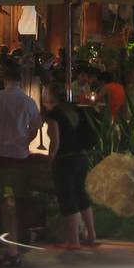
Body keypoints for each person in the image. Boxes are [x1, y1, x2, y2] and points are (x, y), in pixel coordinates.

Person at [0, 59, 41, 267]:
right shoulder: (28, 102)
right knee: (20, 199)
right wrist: (26, 140)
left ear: (4, 78)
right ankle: (19, 239)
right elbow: (36, 126)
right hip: (20, 156)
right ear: (20, 80)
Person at [42, 83, 96, 249]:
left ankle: (74, 240)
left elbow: (55, 140)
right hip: (81, 157)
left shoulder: (54, 114)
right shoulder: (77, 110)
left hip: (65, 160)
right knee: (81, 195)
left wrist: (50, 159)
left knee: (68, 197)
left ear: (51, 96)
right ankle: (91, 235)